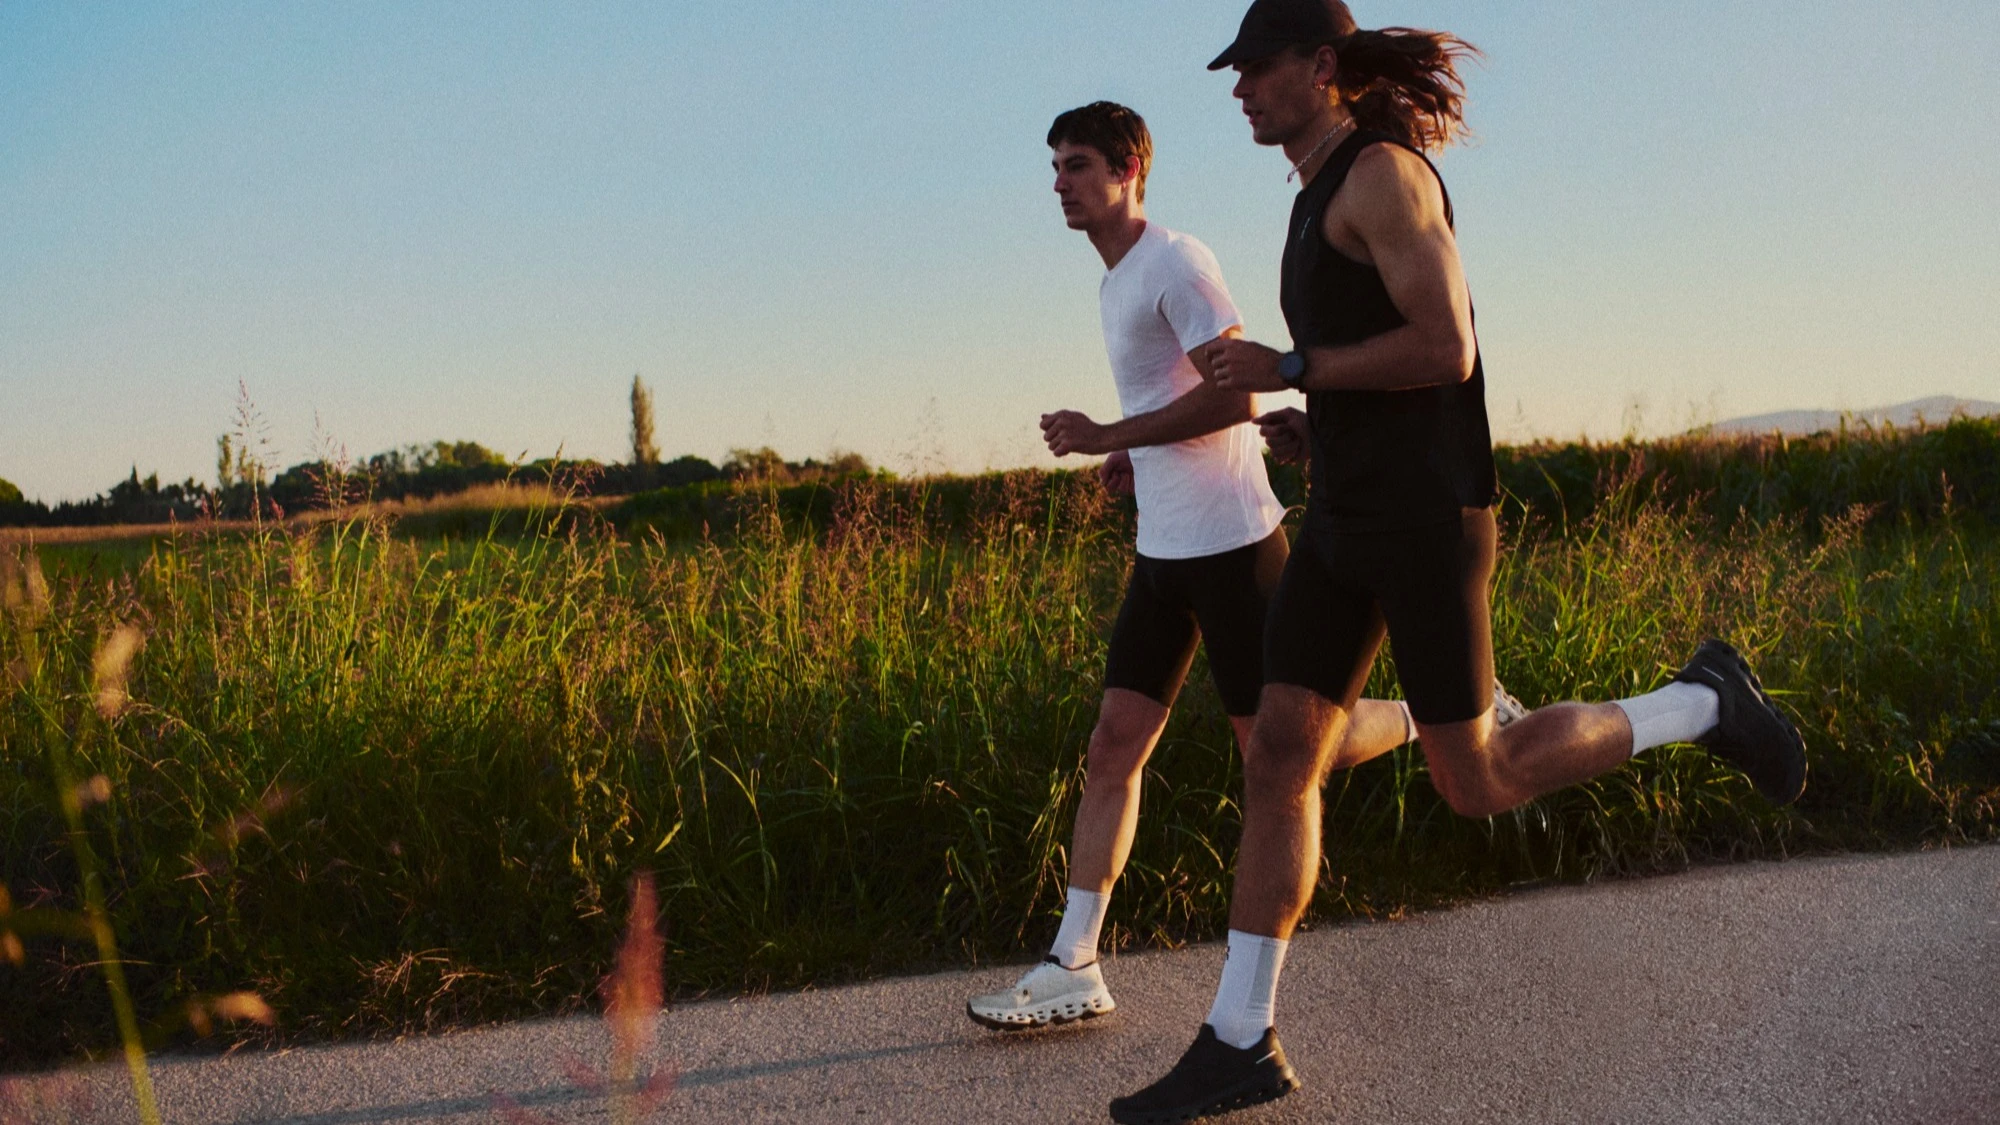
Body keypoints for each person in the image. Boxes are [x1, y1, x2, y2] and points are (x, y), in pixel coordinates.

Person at [1109, 4, 1809, 1121]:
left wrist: (1289, 365)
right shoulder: (1309, 193)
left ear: (1321, 68)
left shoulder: (1384, 178)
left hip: (1426, 523)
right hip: (1342, 515)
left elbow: (1444, 347)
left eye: (1255, 68)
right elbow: (1373, 369)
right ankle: (1239, 1037)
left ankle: (1696, 700)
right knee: (1280, 751)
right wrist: (1314, 421)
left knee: (1471, 780)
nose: (1237, 89)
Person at [966, 101, 1523, 1033]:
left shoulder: (1176, 262)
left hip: (1230, 547)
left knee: (1296, 753)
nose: (1059, 184)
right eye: (1055, 166)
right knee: (1113, 746)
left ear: (1130, 167)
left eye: (1077, 165)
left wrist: (1113, 432)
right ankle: (1075, 960)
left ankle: (1455, 711)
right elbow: (1172, 397)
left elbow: (1240, 396)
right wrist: (1130, 454)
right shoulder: (1114, 282)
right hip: (1164, 554)